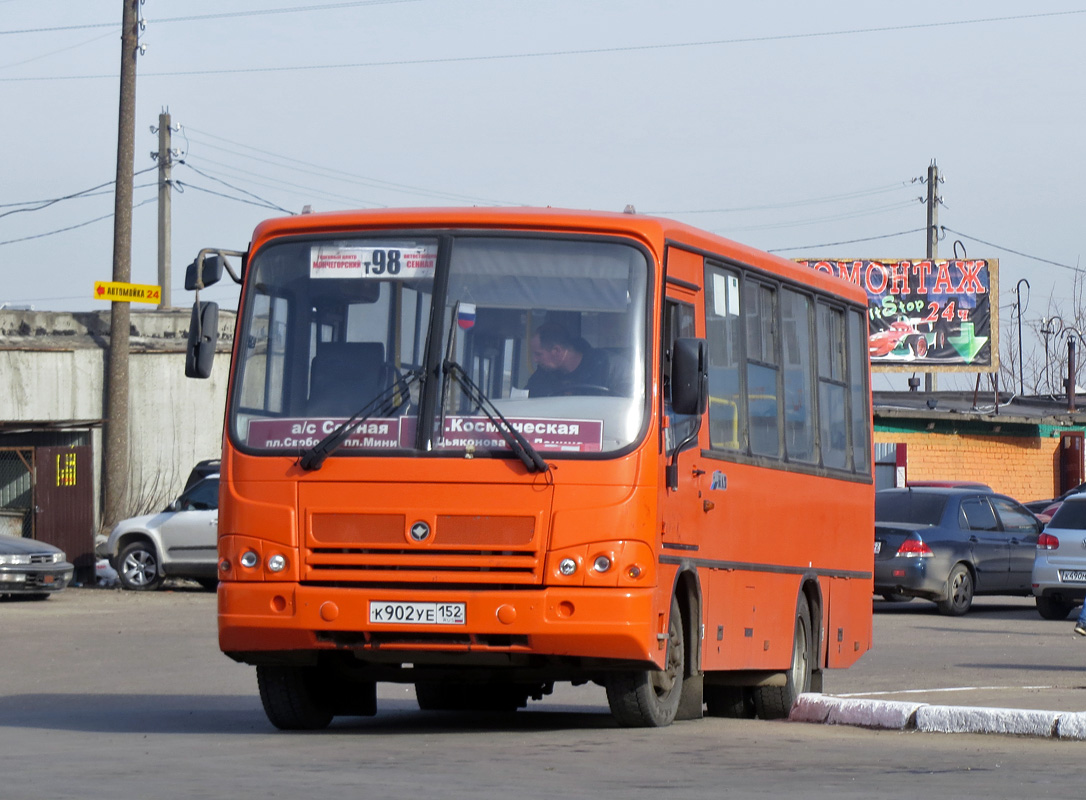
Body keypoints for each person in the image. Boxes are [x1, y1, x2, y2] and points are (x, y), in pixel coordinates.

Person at [525, 322, 619, 397]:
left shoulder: (608, 369)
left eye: (538, 354)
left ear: (556, 350)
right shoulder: (542, 376)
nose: (535, 360)